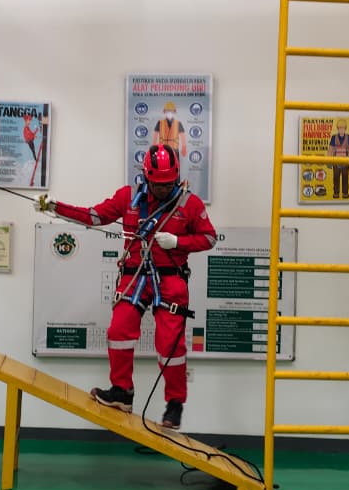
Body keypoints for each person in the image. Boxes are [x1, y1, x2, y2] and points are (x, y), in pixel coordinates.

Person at [36, 144, 216, 430]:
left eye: (168, 183)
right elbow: (94, 216)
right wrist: (55, 208)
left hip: (170, 279)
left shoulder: (188, 204)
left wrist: (179, 242)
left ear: (177, 176)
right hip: (135, 276)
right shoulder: (128, 198)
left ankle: (175, 403)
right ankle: (122, 391)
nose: (162, 189)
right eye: (157, 184)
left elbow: (209, 238)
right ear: (146, 176)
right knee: (119, 330)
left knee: (170, 344)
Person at [328, 118, 349, 199]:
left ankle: (345, 193)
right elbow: (330, 149)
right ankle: (336, 193)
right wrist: (328, 162)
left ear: (345, 128)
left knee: (345, 178)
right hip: (336, 162)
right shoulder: (334, 137)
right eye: (340, 128)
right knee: (336, 178)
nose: (341, 130)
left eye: (343, 128)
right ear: (337, 128)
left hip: (345, 162)